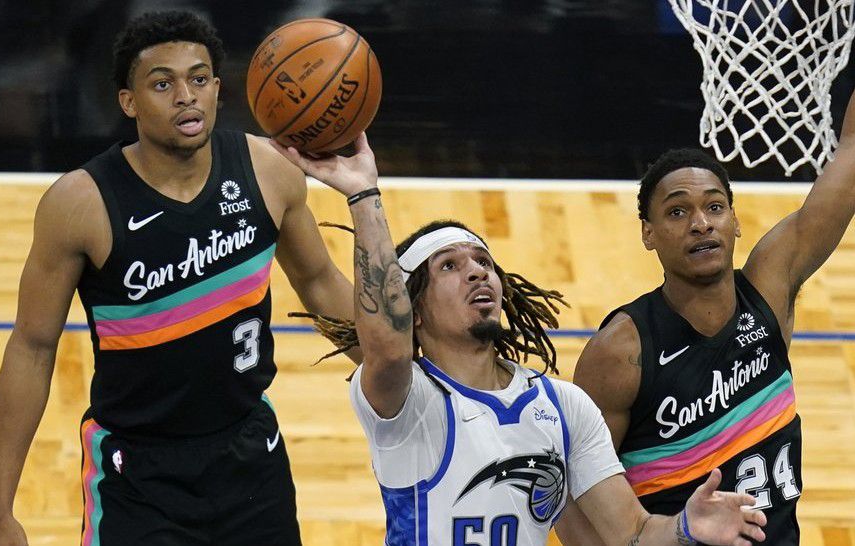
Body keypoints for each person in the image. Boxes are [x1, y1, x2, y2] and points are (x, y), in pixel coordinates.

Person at [0, 11, 359, 546]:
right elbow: (33, 347)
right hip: (138, 473)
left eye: (199, 78)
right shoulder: (79, 204)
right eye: (163, 83)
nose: (186, 95)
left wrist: (411, 383)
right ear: (128, 101)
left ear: (217, 89)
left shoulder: (268, 169)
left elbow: (321, 283)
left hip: (250, 456)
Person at [281, 133, 767, 545]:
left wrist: (685, 526)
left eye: (483, 261)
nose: (476, 272)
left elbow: (632, 533)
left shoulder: (565, 406)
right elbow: (386, 343)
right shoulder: (409, 402)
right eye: (449, 266)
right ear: (414, 310)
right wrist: (364, 194)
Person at [557, 1, 855, 544]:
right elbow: (568, 502)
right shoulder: (622, 351)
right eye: (677, 211)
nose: (700, 223)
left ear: (735, 223)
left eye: (714, 206)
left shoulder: (770, 289)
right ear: (648, 234)